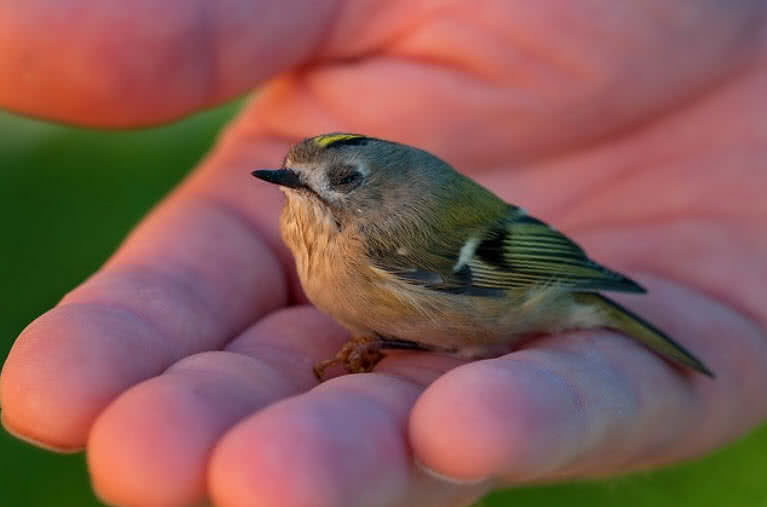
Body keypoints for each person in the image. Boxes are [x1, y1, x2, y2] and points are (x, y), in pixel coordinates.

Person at [1, 2, 766, 506]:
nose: (299, 188)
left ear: (377, 188)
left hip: (527, 284)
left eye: (337, 181)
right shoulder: (335, 238)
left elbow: (512, 251)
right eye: (294, 176)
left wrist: (580, 288)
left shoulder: (388, 237)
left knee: (477, 401)